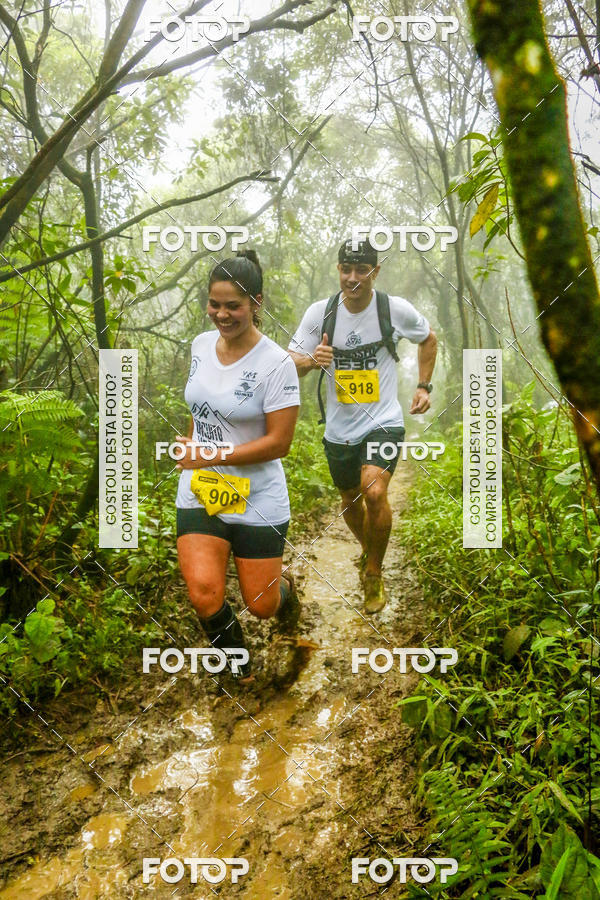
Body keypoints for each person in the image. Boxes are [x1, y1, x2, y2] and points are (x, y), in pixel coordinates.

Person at [288, 238, 437, 614]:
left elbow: (428, 339)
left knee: (374, 493)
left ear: (375, 272)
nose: (353, 277)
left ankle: (373, 572)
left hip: (383, 420)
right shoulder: (320, 313)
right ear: (338, 270)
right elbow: (288, 363)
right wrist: (311, 360)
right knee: (350, 500)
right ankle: (369, 549)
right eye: (346, 269)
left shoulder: (393, 309)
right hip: (338, 428)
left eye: (362, 269)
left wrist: (424, 385)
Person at [175, 250, 300, 679]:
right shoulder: (199, 345)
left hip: (257, 495)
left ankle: (287, 594)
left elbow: (279, 443)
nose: (221, 314)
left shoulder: (277, 364)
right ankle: (239, 673)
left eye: (233, 306)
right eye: (215, 304)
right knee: (204, 594)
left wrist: (209, 452)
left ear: (256, 304)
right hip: (202, 484)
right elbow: (202, 405)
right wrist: (195, 443)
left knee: (260, 605)